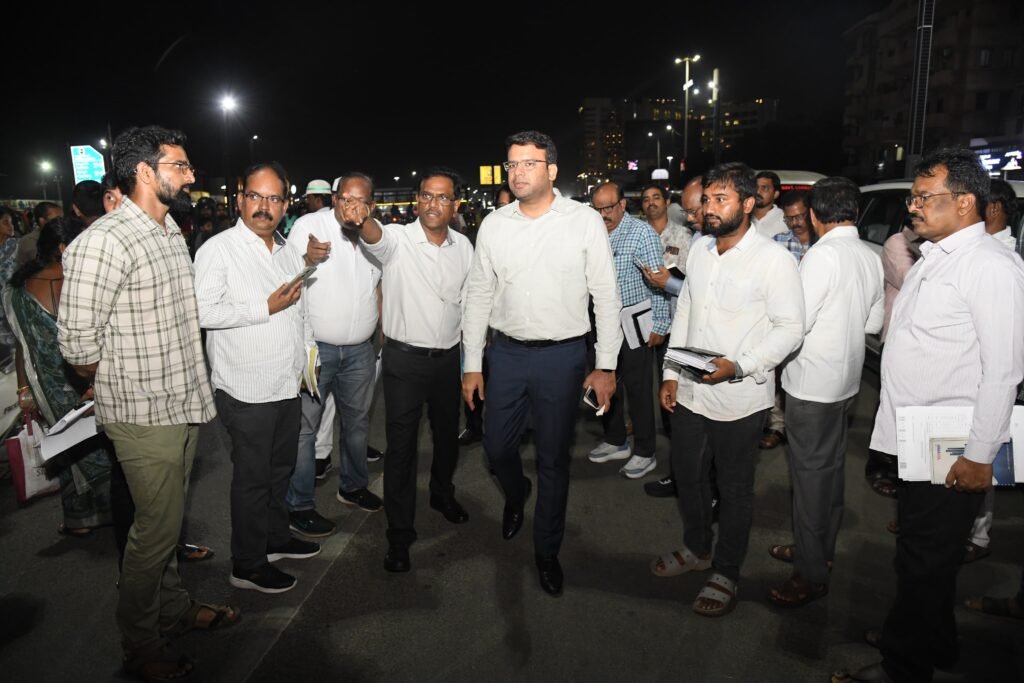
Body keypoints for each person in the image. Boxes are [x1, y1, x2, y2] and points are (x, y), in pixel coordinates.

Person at [836, 148, 1024, 683]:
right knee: (925, 552)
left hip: (953, 440)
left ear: (964, 202)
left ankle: (905, 665)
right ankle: (934, 640)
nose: (913, 207)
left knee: (922, 559)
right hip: (920, 434)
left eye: (924, 197)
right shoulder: (937, 255)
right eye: (913, 197)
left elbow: (1004, 371)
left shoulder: (989, 267)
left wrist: (979, 455)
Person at [58, 125, 237, 682]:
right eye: (179, 166)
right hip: (142, 413)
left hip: (181, 402)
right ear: (143, 171)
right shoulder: (106, 240)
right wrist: (120, 379)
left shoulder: (167, 232)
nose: (190, 175)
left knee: (167, 525)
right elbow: (77, 344)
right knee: (154, 533)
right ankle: (140, 643)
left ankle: (173, 610)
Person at [462, 130, 622, 596]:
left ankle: (547, 550)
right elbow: (479, 294)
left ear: (551, 170)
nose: (517, 172)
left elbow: (605, 295)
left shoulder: (583, 221)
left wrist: (606, 366)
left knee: (553, 458)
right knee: (496, 448)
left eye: (528, 163)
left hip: (563, 357)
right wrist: (472, 364)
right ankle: (517, 494)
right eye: (512, 164)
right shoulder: (494, 225)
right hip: (507, 354)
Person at [652, 162, 803, 618]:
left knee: (734, 488)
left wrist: (740, 366)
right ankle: (697, 548)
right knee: (688, 475)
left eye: (721, 199)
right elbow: (686, 309)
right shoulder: (700, 248)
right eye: (707, 199)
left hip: (739, 397)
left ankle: (727, 571)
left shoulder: (773, 259)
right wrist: (671, 372)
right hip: (691, 390)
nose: (709, 208)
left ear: (749, 203)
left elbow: (790, 329)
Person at [195, 161, 320, 594]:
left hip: (286, 383)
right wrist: (263, 307)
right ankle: (247, 563)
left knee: (280, 470)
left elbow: (298, 308)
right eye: (255, 196)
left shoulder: (285, 250)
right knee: (252, 480)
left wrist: (308, 356)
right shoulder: (219, 249)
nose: (263, 206)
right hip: (246, 390)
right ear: (240, 199)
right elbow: (203, 312)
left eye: (273, 198)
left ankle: (275, 537)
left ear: (285, 204)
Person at [765, 177, 883, 607]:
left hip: (812, 384)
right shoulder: (869, 255)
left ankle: (810, 572)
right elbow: (873, 323)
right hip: (847, 381)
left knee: (810, 481)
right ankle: (818, 551)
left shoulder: (821, 256)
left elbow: (795, 324)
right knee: (829, 475)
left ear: (814, 215)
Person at [357, 167, 474, 573]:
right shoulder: (398, 239)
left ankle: (442, 494)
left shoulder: (464, 247)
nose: (433, 204)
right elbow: (374, 236)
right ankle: (399, 535)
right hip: (404, 362)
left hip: (448, 360)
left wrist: (472, 363)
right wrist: (362, 218)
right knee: (402, 450)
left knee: (447, 437)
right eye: (426, 195)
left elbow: (469, 304)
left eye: (442, 197)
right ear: (417, 200)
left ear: (455, 204)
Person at [286, 172, 383, 533]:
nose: (352, 207)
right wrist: (307, 259)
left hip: (360, 351)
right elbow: (284, 275)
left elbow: (378, 285)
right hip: (317, 350)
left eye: (361, 201)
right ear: (334, 199)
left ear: (371, 205)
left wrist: (382, 332)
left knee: (357, 424)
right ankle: (299, 505)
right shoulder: (310, 226)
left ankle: (353, 487)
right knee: (305, 430)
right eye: (346, 199)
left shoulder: (376, 234)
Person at [5, 217, 113, 535]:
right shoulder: (83, 283)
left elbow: (22, 346)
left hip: (47, 388)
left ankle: (79, 519)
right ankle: (112, 510)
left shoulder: (18, 290)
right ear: (65, 248)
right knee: (101, 444)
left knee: (65, 447)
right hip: (87, 378)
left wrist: (24, 388)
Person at [587, 181, 669, 480]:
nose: (603, 214)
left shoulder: (641, 233)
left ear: (622, 205)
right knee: (604, 382)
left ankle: (645, 452)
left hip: (633, 321)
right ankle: (615, 440)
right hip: (599, 321)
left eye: (609, 207)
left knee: (638, 389)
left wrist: (660, 324)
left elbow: (658, 281)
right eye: (597, 208)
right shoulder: (592, 232)